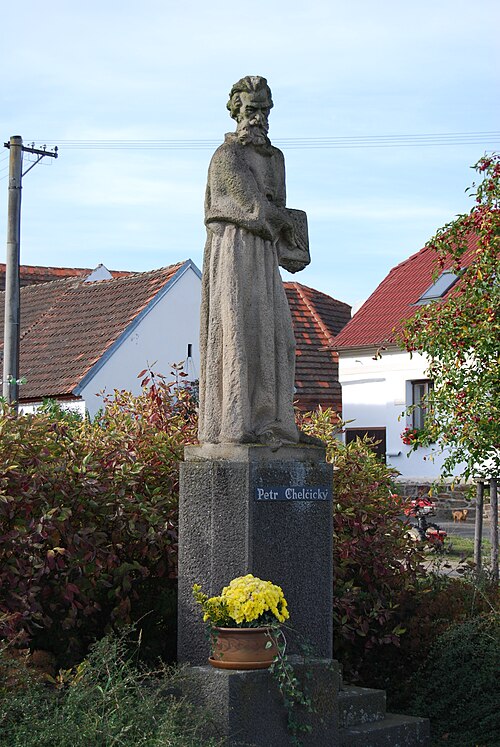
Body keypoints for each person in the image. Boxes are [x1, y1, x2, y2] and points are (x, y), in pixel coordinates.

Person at [198, 76, 309, 448]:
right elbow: (253, 207)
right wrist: (283, 223)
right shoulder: (226, 156)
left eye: (264, 110)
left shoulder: (275, 159)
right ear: (236, 111)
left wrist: (293, 240)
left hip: (265, 256)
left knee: (280, 338)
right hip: (234, 251)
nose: (258, 117)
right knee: (239, 334)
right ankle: (236, 423)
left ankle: (276, 421)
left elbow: (276, 209)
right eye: (251, 109)